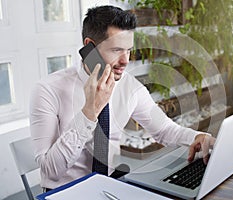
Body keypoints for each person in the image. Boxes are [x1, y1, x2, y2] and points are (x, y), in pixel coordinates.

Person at [30, 5, 215, 190]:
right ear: (89, 48)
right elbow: (51, 172)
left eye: (128, 50)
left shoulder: (129, 86)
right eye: (117, 50)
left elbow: (164, 129)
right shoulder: (47, 90)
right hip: (64, 192)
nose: (125, 60)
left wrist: (197, 136)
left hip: (108, 186)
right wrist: (90, 111)